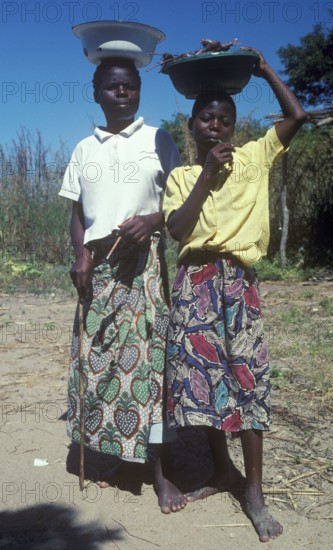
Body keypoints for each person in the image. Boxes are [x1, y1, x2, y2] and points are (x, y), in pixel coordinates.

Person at [162, 47, 307, 540]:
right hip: (195, 285)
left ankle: (254, 492)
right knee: (203, 383)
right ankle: (221, 469)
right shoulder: (182, 176)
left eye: (224, 118)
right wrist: (205, 173)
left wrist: (263, 68)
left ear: (234, 125)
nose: (216, 126)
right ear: (193, 126)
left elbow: (298, 116)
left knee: (247, 381)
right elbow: (180, 232)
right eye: (206, 118)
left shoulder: (255, 158)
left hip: (238, 283)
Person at [59, 57, 186, 513]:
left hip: (144, 266)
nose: (122, 93)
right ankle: (120, 459)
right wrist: (81, 255)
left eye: (130, 86)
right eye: (113, 87)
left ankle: (159, 471)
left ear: (138, 91)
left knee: (150, 365)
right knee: (102, 362)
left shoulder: (159, 140)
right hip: (99, 267)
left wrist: (152, 220)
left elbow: (180, 204)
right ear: (96, 92)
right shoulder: (82, 149)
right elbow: (77, 212)